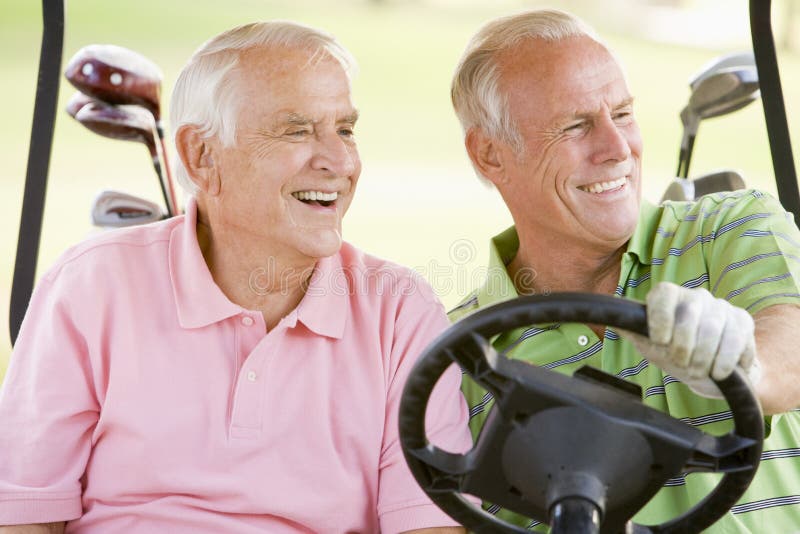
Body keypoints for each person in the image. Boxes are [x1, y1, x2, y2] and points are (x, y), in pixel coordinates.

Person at [0, 21, 471, 534]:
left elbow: (430, 528)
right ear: (201, 156)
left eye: (345, 129)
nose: (340, 161)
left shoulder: (400, 310)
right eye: (298, 130)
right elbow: (25, 515)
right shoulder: (87, 286)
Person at [448, 8, 800, 532]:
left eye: (624, 114)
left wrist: (740, 368)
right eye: (575, 126)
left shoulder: (732, 224)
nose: (618, 149)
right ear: (490, 155)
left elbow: (790, 356)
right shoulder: (460, 357)